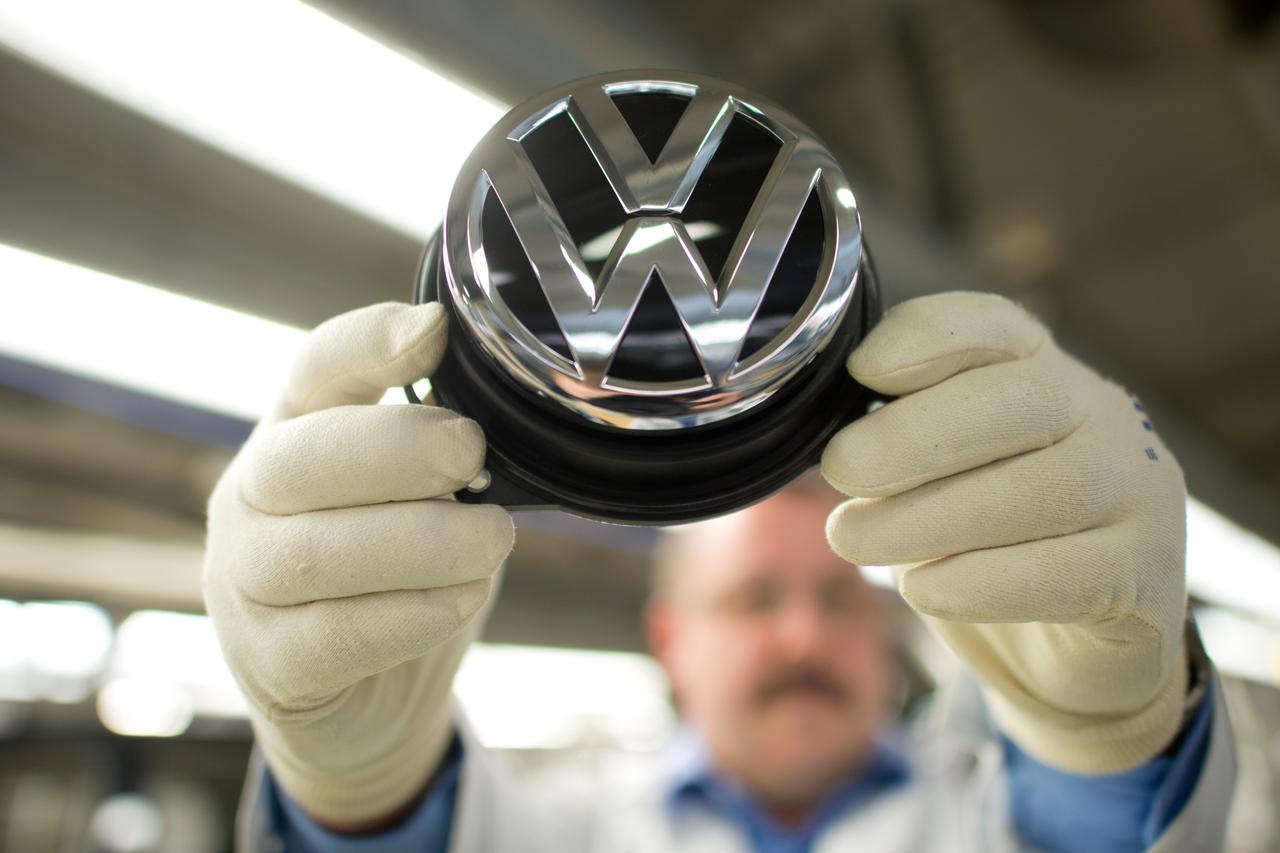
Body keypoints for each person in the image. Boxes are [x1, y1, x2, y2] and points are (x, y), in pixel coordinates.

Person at [203, 292, 1236, 852]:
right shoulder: (567, 828)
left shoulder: (985, 820)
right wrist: (362, 793)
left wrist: (1104, 737)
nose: (801, 637)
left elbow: (1105, 835)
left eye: (838, 595)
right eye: (752, 599)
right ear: (671, 642)